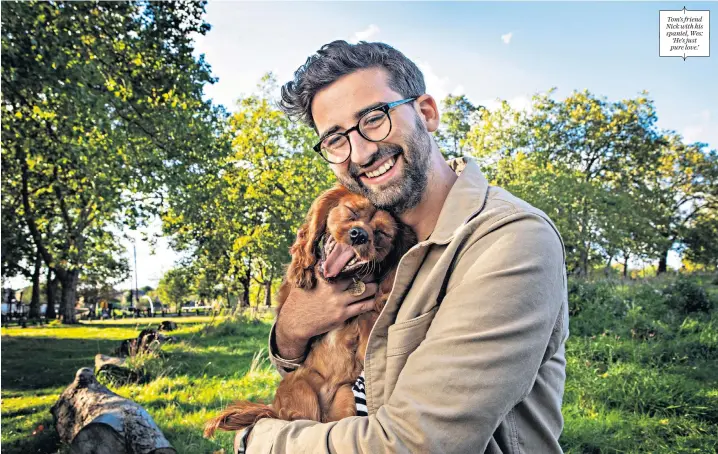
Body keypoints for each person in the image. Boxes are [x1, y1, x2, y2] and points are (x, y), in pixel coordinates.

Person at [239, 40, 568, 453]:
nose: (360, 152)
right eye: (335, 139)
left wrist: (258, 439)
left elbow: (416, 443)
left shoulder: (509, 241)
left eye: (374, 118)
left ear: (426, 113)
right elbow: (320, 362)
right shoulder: (376, 244)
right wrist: (291, 330)